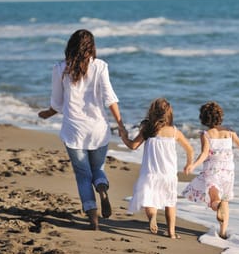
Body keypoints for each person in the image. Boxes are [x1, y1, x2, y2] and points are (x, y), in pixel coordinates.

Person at [38, 29, 126, 231]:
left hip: (74, 130)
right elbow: (110, 98)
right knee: (98, 169)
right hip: (98, 129)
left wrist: (47, 113)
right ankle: (102, 187)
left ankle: (92, 217)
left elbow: (58, 103)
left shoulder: (60, 69)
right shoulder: (101, 66)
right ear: (92, 47)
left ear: (70, 46)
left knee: (83, 175)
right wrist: (120, 125)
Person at [120, 98, 194, 239]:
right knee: (170, 203)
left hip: (150, 173)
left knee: (149, 199)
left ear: (152, 112)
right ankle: (171, 232)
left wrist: (124, 136)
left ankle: (152, 217)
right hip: (169, 175)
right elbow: (190, 149)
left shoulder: (148, 129)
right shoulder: (174, 132)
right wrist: (189, 164)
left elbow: (133, 146)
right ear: (169, 114)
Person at [182, 101, 239, 239]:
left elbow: (204, 154)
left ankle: (217, 206)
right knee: (225, 199)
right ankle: (223, 231)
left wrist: (193, 165)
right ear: (220, 116)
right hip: (228, 170)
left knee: (215, 199)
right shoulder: (230, 132)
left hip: (212, 170)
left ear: (203, 118)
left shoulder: (206, 134)